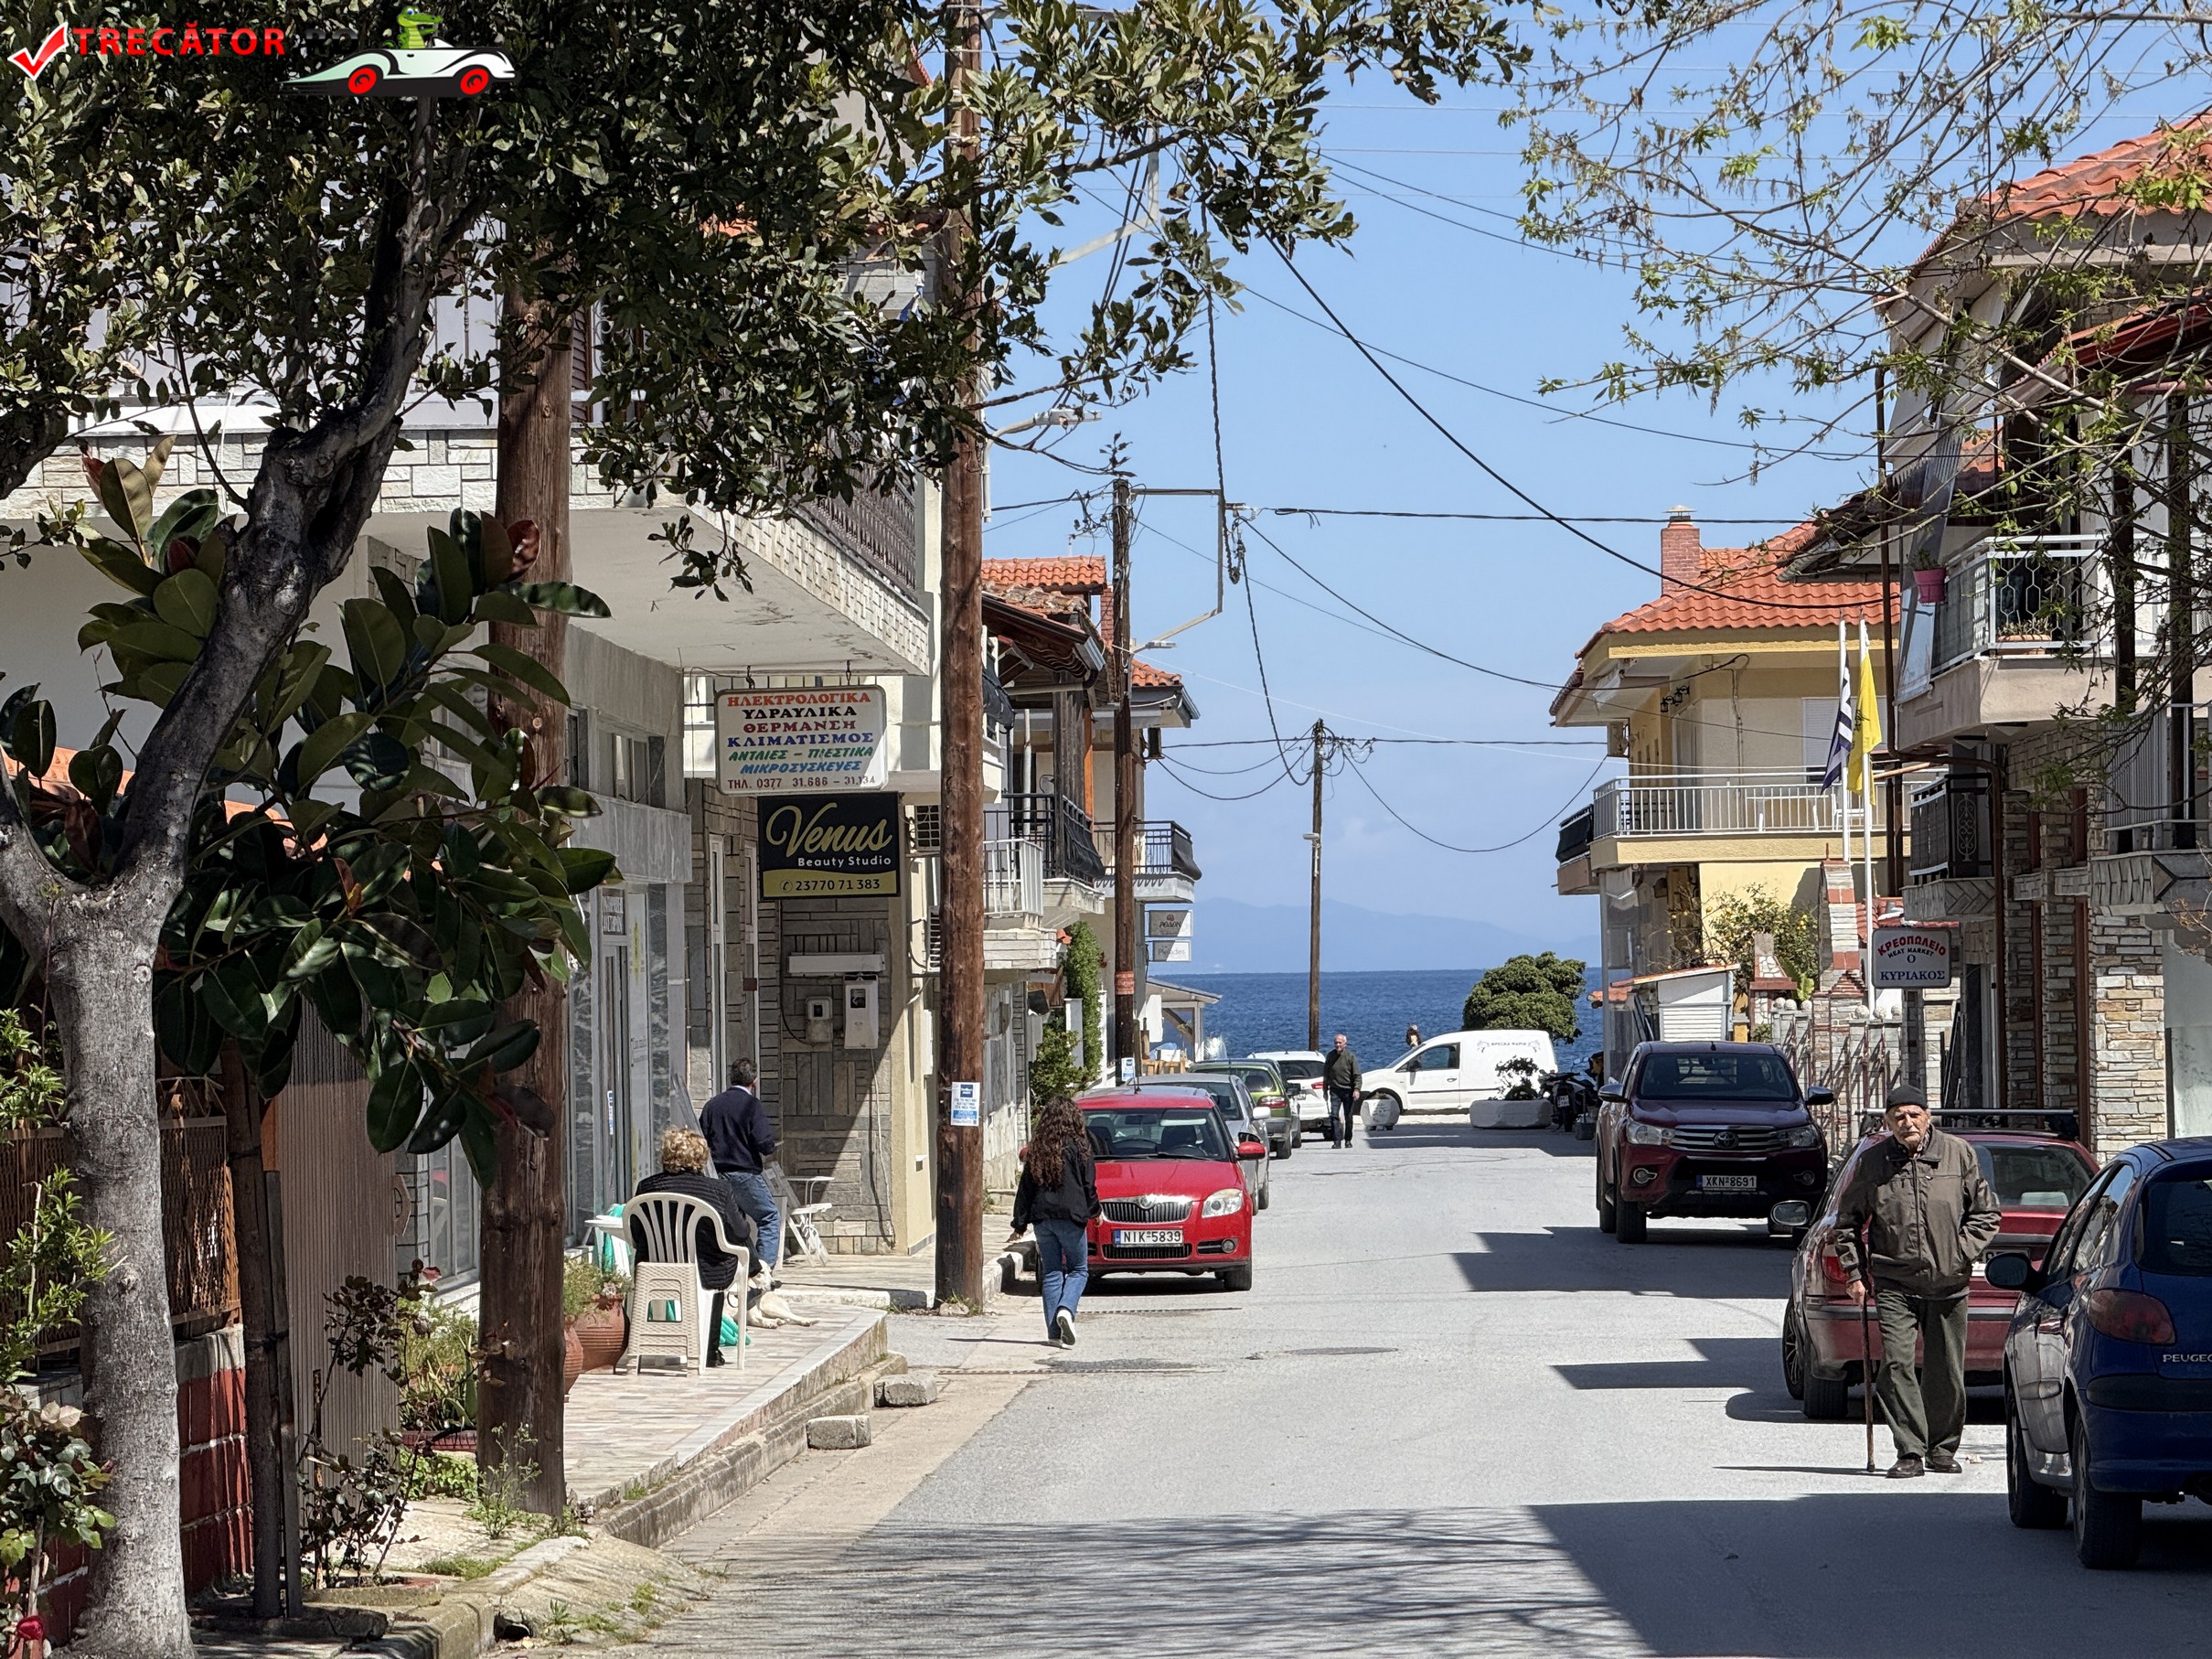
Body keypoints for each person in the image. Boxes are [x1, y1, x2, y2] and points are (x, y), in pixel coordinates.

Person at [1832, 1083, 2001, 1478]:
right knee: (1895, 1365)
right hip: (1894, 1281)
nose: (1907, 1122)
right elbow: (1847, 1223)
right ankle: (1910, 1450)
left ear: (1928, 1117)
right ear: (1888, 1122)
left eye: (1914, 1114)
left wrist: (1960, 1251)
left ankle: (1941, 1448)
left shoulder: (1957, 1153)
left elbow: (1986, 1214)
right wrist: (1855, 1274)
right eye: (1899, 1117)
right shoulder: (1874, 1162)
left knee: (1946, 1371)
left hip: (1949, 1282)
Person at [632, 1128, 759, 1368]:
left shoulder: (646, 1187)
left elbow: (637, 1232)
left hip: (655, 1268)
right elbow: (741, 1231)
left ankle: (650, 1347)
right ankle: (709, 1351)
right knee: (730, 1250)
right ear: (701, 1157)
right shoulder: (718, 1190)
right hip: (706, 1271)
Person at [1009, 1096, 1100, 1347]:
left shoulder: (1038, 1149)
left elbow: (1025, 1189)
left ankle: (1053, 1334)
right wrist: (1095, 1211)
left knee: (1051, 1272)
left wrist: (1019, 1224)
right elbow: (1088, 1185)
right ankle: (1066, 1310)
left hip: (1042, 1220)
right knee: (1078, 1269)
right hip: (1071, 1217)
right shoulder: (1080, 1147)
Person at [702, 1060, 782, 1281]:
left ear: (731, 1078)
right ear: (754, 1081)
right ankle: (763, 1272)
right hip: (745, 1174)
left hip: (717, 1175)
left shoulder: (712, 1105)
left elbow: (702, 1138)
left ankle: (736, 1272)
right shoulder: (751, 1105)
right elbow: (763, 1142)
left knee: (733, 1225)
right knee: (769, 1217)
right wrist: (770, 1147)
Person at [1324, 1033, 1362, 1150]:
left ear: (1345, 1044)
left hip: (1348, 1091)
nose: (1338, 1045)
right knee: (1334, 1115)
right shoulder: (1330, 1056)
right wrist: (1325, 1090)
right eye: (1336, 1043)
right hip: (1335, 1091)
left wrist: (1356, 1089)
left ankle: (1348, 1140)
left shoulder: (1350, 1057)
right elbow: (1326, 1074)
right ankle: (1337, 1141)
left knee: (1348, 1116)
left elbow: (1357, 1075)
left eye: (1340, 1043)